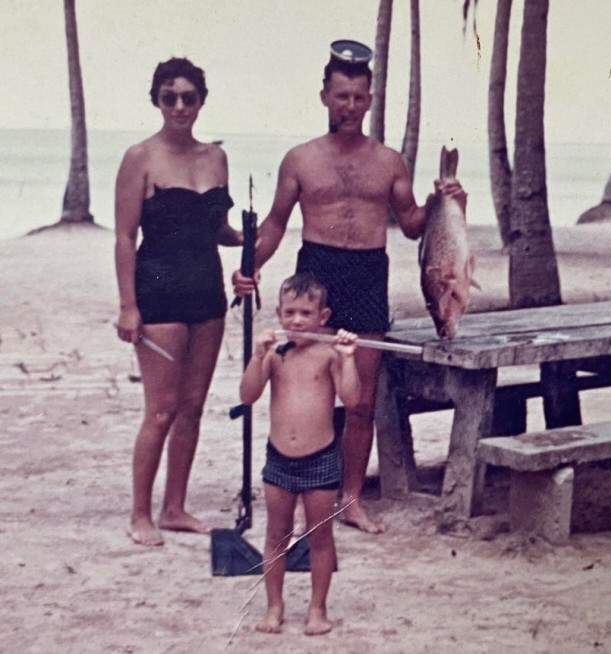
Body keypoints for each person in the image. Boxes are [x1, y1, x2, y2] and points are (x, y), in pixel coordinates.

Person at [232, 40, 466, 533]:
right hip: (315, 273)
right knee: (307, 391)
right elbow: (274, 224)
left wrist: (444, 201)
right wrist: (249, 266)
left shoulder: (388, 162)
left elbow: (412, 224)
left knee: (359, 401)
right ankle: (302, 489)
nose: (351, 107)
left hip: (366, 275)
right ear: (324, 96)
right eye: (342, 97)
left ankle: (350, 498)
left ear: (370, 100)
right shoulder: (300, 159)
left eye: (359, 98)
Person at [114, 57, 242, 547]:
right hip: (159, 291)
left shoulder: (216, 158)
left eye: (189, 97)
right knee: (161, 409)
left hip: (208, 292)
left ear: (201, 101)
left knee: (192, 408)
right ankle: (140, 513)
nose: (180, 106)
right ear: (157, 101)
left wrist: (251, 237)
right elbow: (125, 237)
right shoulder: (140, 157)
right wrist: (129, 306)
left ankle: (174, 508)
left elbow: (216, 230)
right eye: (170, 97)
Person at [239, 273, 361, 636]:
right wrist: (257, 355)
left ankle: (317, 609)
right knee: (276, 534)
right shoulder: (276, 356)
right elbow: (247, 395)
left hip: (320, 459)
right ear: (278, 313)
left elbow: (353, 400)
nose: (296, 321)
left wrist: (349, 358)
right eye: (289, 312)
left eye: (305, 314)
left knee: (319, 538)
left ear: (323, 317)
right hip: (278, 460)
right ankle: (274, 606)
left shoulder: (329, 355)